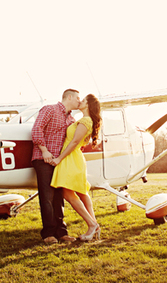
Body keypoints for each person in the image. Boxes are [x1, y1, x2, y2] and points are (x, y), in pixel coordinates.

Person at [50, 93, 103, 241]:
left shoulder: (85, 121)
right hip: (73, 158)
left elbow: (73, 142)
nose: (80, 101)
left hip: (70, 158)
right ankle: (95, 226)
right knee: (82, 193)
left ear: (88, 105)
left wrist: (59, 158)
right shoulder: (85, 120)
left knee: (67, 194)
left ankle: (92, 224)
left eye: (83, 100)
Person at [31, 89, 81, 245]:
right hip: (43, 158)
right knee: (47, 197)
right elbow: (37, 129)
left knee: (59, 197)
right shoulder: (49, 109)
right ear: (69, 97)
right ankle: (48, 233)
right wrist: (44, 151)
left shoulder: (71, 119)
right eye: (78, 98)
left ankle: (61, 232)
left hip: (59, 161)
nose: (79, 101)